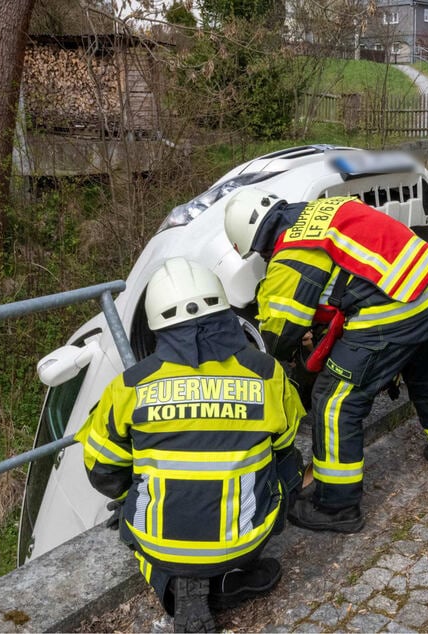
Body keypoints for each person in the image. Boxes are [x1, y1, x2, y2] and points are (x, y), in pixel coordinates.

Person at [75, 257, 305, 633]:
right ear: (224, 311)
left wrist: (134, 490)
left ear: (156, 324)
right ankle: (233, 577)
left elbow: (101, 469)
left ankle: (174, 584)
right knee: (288, 465)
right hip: (244, 539)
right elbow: (286, 443)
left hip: (157, 544)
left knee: (138, 494)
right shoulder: (266, 373)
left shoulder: (130, 385)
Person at [223, 191, 428, 535]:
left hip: (393, 313)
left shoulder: (292, 252)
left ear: (253, 241)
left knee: (334, 402)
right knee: (426, 376)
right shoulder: (328, 207)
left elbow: (280, 334)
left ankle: (336, 506)